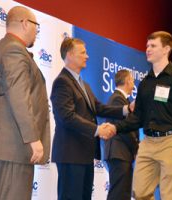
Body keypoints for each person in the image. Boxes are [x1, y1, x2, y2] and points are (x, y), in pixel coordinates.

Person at [107, 31, 172, 200]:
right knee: (140, 192)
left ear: (166, 49)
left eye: (153, 45)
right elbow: (137, 117)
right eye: (147, 45)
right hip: (148, 143)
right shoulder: (145, 82)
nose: (147, 49)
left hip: (171, 142)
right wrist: (116, 127)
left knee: (169, 195)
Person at [0, 6, 50, 200]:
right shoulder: (13, 50)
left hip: (6, 143)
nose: (37, 32)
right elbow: (19, 96)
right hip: (13, 144)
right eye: (36, 26)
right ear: (25, 24)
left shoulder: (6, 48)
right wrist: (33, 139)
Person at [51, 37, 131, 200]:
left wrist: (126, 109)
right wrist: (97, 129)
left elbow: (99, 108)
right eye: (83, 52)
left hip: (85, 154)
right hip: (71, 154)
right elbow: (67, 116)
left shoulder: (84, 84)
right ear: (70, 55)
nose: (87, 56)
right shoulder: (62, 82)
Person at [104, 69, 139, 200]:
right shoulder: (117, 99)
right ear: (127, 81)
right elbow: (123, 129)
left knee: (123, 194)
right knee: (118, 194)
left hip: (123, 154)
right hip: (119, 153)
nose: (134, 84)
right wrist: (136, 147)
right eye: (133, 81)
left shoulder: (123, 100)